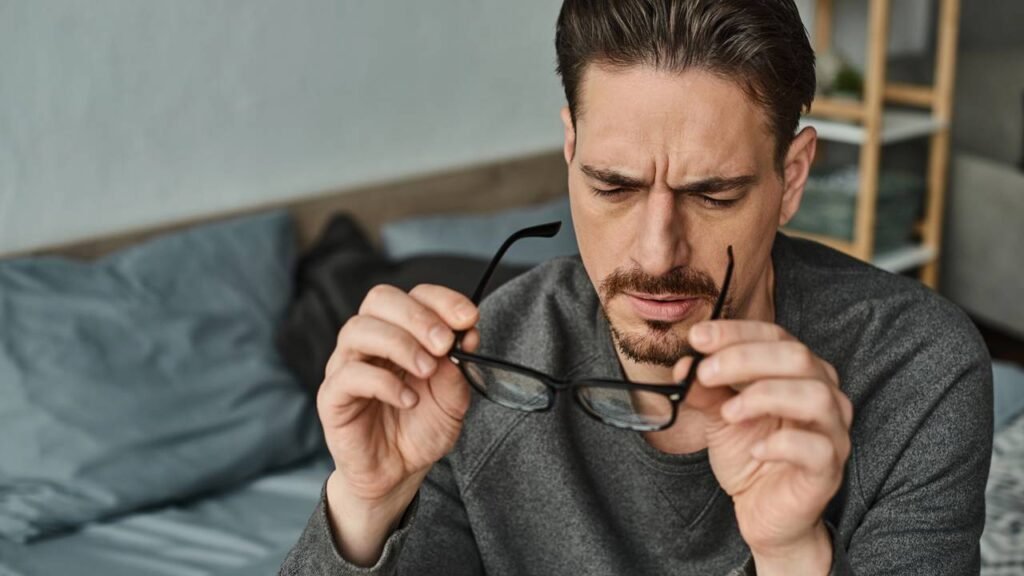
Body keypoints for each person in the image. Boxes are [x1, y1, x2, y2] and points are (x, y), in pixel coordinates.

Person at [280, 1, 993, 574]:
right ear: (570, 152)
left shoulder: (920, 371)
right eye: (612, 186)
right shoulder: (483, 368)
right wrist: (365, 507)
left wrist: (792, 556)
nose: (657, 253)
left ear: (792, 178)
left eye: (713, 194)